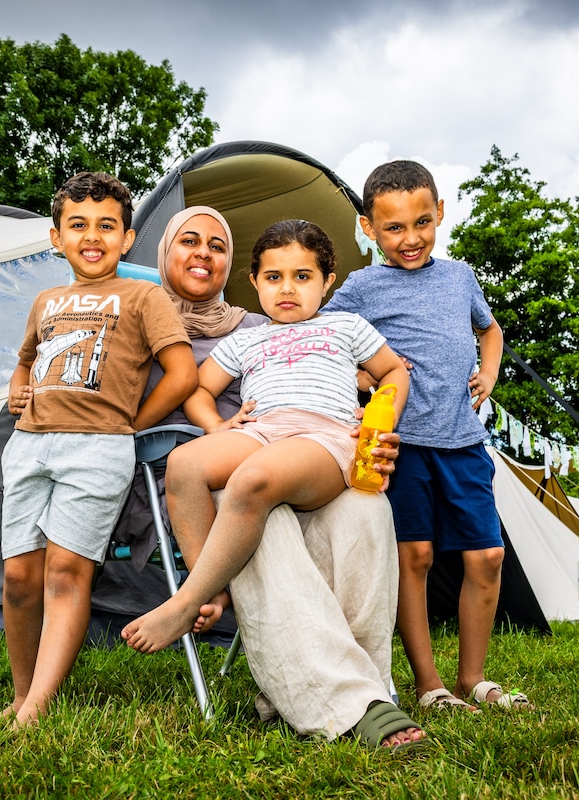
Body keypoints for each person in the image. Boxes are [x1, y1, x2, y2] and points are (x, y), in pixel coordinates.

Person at [107, 206, 425, 749]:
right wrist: (217, 426)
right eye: (273, 277)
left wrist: (379, 423)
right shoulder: (247, 339)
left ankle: (187, 600)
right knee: (186, 464)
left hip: (325, 439)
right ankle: (215, 594)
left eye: (303, 277)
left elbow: (395, 371)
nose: (287, 289)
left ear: (328, 282)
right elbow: (199, 390)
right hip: (263, 431)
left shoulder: (345, 327)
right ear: (253, 282)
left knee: (251, 481)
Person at [324, 160, 533, 713]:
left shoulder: (460, 277)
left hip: (463, 441)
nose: (410, 238)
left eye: (422, 222)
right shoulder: (362, 287)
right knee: (413, 555)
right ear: (368, 228)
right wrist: (367, 377)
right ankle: (429, 684)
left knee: (486, 557)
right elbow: (326, 342)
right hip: (401, 443)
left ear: (440, 213)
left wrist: (488, 372)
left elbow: (490, 330)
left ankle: (473, 678)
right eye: (393, 228)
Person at [0, 172, 198, 727]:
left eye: (107, 225)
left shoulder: (143, 295)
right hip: (29, 445)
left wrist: (128, 423)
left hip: (99, 450)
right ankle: (19, 694)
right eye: (78, 225)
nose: (93, 236)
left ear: (127, 239)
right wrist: (18, 384)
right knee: (19, 577)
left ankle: (35, 709)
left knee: (66, 570)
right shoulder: (45, 301)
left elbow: (181, 374)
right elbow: (25, 360)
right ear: (55, 237)